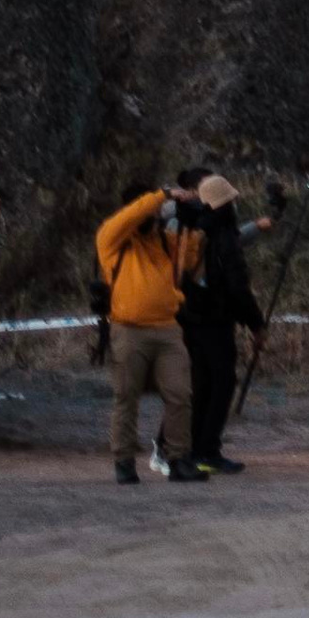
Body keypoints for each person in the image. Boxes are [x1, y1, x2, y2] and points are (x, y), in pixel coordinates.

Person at [95, 181, 207, 485]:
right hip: (128, 329)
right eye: (150, 210)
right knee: (126, 397)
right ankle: (124, 460)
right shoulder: (112, 238)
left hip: (168, 329)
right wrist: (163, 195)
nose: (154, 216)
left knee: (180, 394)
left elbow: (189, 262)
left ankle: (179, 458)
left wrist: (190, 227)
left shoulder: (164, 241)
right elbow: (131, 216)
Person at [178, 174, 265, 475]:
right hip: (216, 320)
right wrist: (256, 324)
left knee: (201, 385)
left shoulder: (193, 231)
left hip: (190, 319)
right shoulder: (225, 237)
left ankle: (194, 449)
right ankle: (208, 450)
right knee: (223, 383)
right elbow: (237, 286)